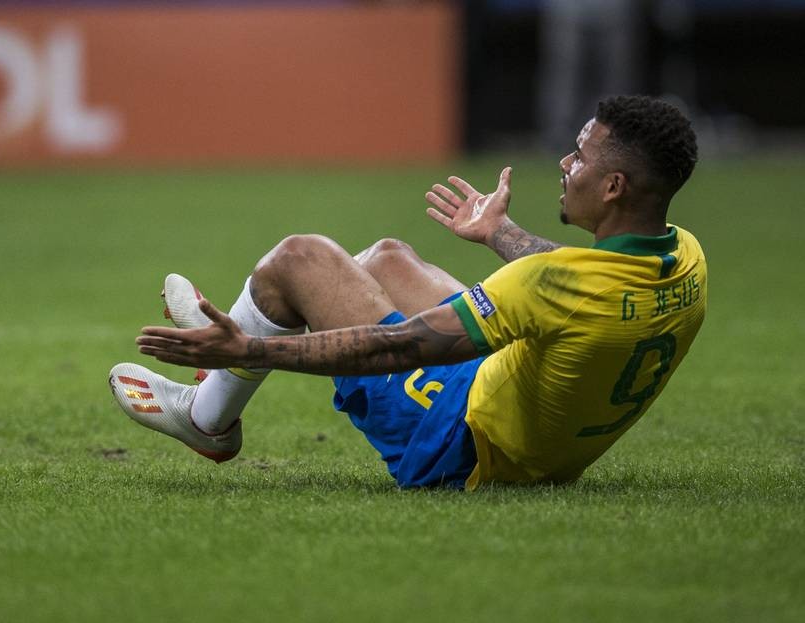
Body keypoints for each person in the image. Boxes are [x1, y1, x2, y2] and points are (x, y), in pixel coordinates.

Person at [108, 95, 705, 490]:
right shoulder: (685, 257)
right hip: (531, 423)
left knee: (300, 259)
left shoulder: (549, 286)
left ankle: (209, 415)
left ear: (613, 186)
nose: (565, 162)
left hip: (463, 445)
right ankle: (242, 340)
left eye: (580, 157)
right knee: (389, 258)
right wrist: (499, 231)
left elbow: (397, 350)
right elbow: (578, 279)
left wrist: (250, 353)